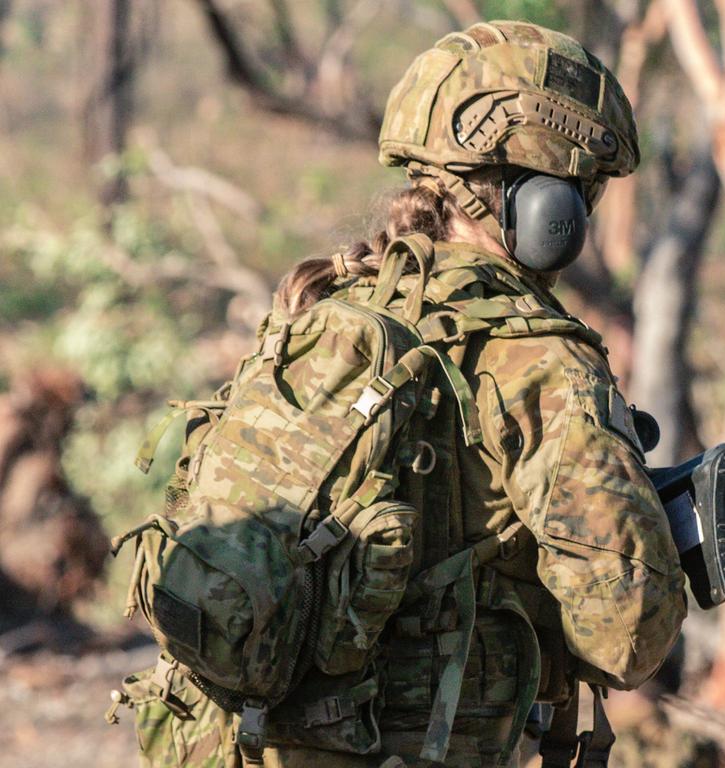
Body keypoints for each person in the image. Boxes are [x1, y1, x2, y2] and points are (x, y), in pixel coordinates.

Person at [124, 20, 686, 768]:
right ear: (547, 202)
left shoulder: (323, 304)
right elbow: (628, 632)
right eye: (583, 192)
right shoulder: (540, 359)